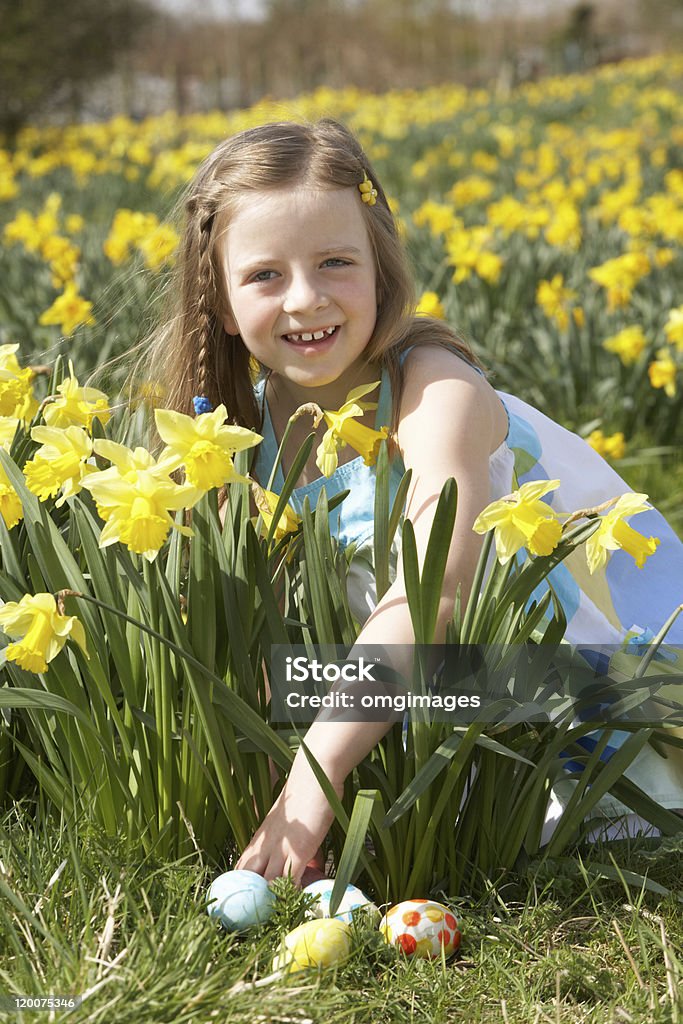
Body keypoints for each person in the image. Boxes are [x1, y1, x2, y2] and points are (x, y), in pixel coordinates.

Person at [141, 118, 683, 882]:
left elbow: (438, 596)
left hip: (552, 693)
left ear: (380, 268)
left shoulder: (434, 392)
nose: (305, 298)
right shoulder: (231, 438)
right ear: (222, 305)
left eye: (336, 262)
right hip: (410, 701)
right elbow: (251, 642)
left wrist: (309, 783)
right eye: (265, 275)